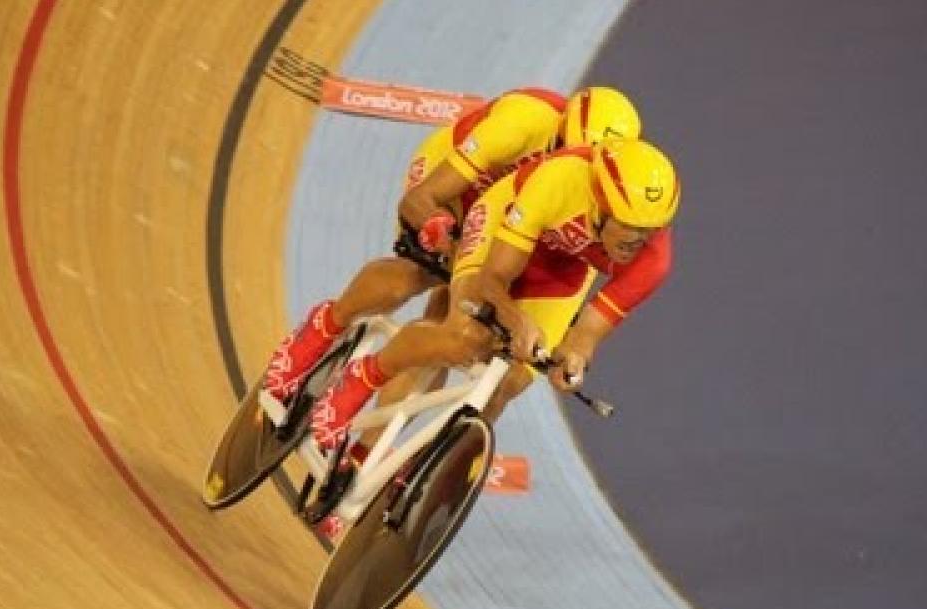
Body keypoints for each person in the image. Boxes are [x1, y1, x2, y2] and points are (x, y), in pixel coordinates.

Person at [263, 86, 642, 403]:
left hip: (513, 215)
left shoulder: (592, 194)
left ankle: (365, 452)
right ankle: (324, 327)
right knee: (418, 273)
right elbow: (420, 201)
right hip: (457, 184)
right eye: (566, 151)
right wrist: (436, 226)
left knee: (447, 336)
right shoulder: (525, 121)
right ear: (561, 130)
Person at [306, 137, 681, 454]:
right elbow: (493, 279)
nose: (638, 242)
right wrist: (516, 321)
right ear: (600, 208)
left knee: (512, 381)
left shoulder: (654, 261)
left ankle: (429, 472)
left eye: (650, 231)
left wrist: (573, 363)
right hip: (505, 227)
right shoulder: (557, 181)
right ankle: (363, 377)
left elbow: (585, 336)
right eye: (630, 229)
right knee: (464, 338)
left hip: (562, 268)